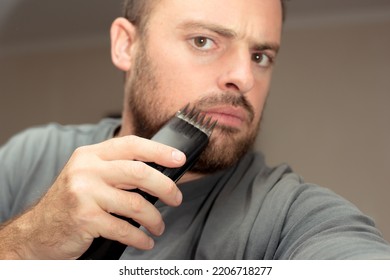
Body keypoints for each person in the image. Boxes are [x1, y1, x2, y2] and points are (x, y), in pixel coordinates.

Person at [0, 0, 390, 260]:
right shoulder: (32, 155)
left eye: (260, 55)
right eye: (204, 41)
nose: (244, 77)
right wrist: (30, 242)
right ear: (126, 46)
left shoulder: (291, 214)